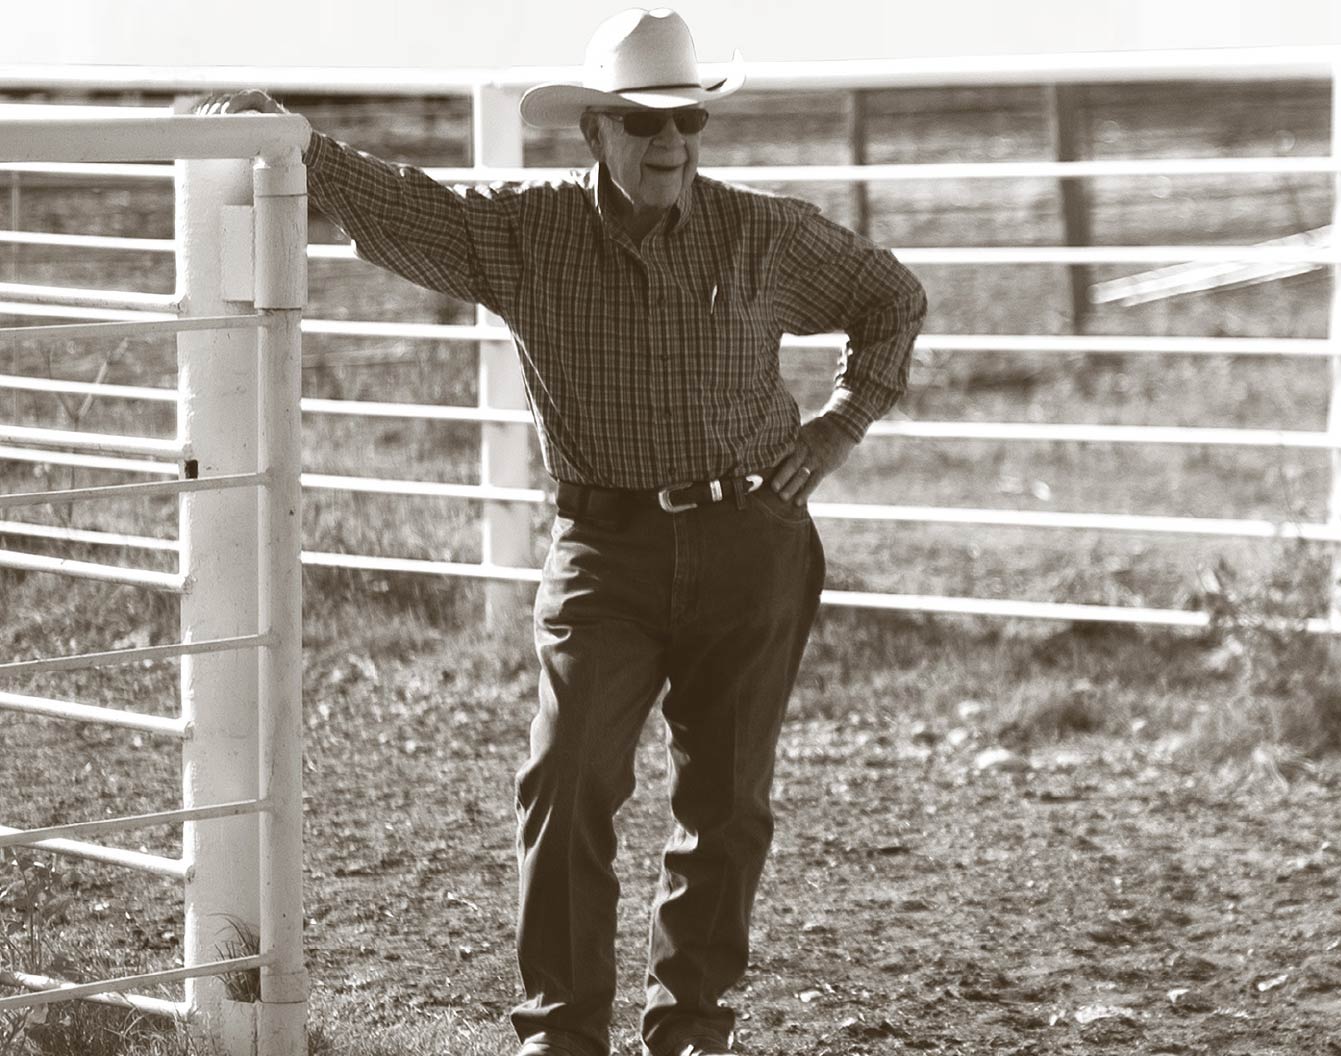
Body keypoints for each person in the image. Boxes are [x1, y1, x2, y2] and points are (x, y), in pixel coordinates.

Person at [197, 10, 927, 1056]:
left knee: (726, 800)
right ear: (593, 131)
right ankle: (563, 1035)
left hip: (748, 542)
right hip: (604, 549)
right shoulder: (525, 233)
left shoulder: (762, 233)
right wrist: (294, 143)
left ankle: (691, 1031)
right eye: (640, 123)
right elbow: (403, 207)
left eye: (683, 122)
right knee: (567, 774)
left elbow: (890, 297)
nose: (667, 142)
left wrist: (839, 424)